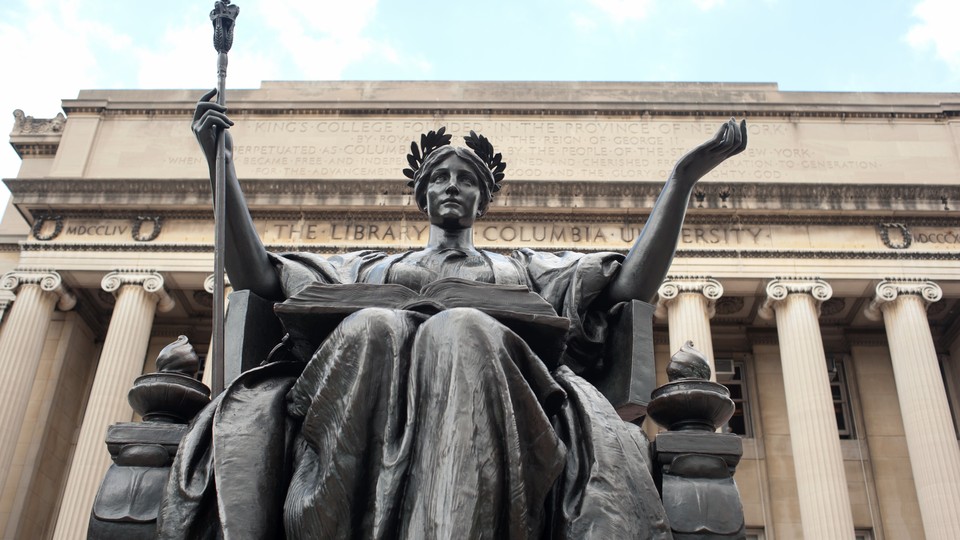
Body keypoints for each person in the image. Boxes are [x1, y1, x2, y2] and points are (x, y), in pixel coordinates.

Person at [158, 89, 747, 540]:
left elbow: (630, 284)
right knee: (373, 325)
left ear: (482, 200)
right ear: (422, 193)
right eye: (440, 176)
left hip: (497, 401)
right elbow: (257, 275)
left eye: (467, 180)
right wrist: (220, 168)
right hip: (364, 397)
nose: (452, 186)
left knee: (459, 329)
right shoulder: (368, 269)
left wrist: (681, 180)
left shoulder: (521, 267)